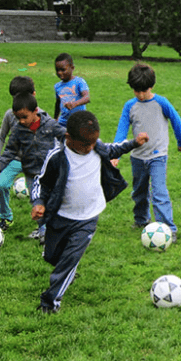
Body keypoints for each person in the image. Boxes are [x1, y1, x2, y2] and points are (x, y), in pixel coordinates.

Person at [32, 111, 148, 313]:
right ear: (69, 138)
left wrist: (134, 144)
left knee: (69, 260)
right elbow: (41, 182)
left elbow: (113, 149)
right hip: (60, 216)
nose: (91, 148)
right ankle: (65, 269)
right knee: (52, 256)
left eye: (93, 143)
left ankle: (50, 303)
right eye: (86, 145)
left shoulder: (96, 147)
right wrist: (39, 202)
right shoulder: (57, 157)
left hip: (88, 217)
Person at [113, 63, 181, 242]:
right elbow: (122, 130)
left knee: (159, 192)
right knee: (139, 192)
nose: (140, 94)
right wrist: (115, 153)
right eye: (136, 91)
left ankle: (168, 228)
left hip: (158, 156)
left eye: (143, 91)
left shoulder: (161, 102)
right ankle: (141, 220)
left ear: (151, 86)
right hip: (137, 157)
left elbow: (176, 121)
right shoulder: (129, 106)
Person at [0, 90, 66, 244]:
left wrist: (69, 154)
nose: (21, 121)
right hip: (31, 173)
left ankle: (59, 229)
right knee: (37, 203)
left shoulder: (50, 125)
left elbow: (66, 137)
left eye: (24, 117)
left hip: (50, 172)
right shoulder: (18, 129)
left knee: (54, 201)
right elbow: (10, 150)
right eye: (18, 118)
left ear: (35, 111)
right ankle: (44, 233)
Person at [0, 77, 44, 231]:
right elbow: (1, 137)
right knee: (1, 186)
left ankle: (43, 229)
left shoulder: (42, 116)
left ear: (33, 95)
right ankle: (6, 217)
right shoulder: (10, 115)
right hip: (14, 159)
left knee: (36, 196)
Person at [53, 53, 91, 127]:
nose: (59, 72)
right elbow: (58, 103)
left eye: (63, 70)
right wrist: (55, 118)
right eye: (57, 70)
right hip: (63, 122)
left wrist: (75, 104)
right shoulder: (57, 86)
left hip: (79, 122)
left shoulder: (79, 82)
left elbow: (87, 98)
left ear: (72, 68)